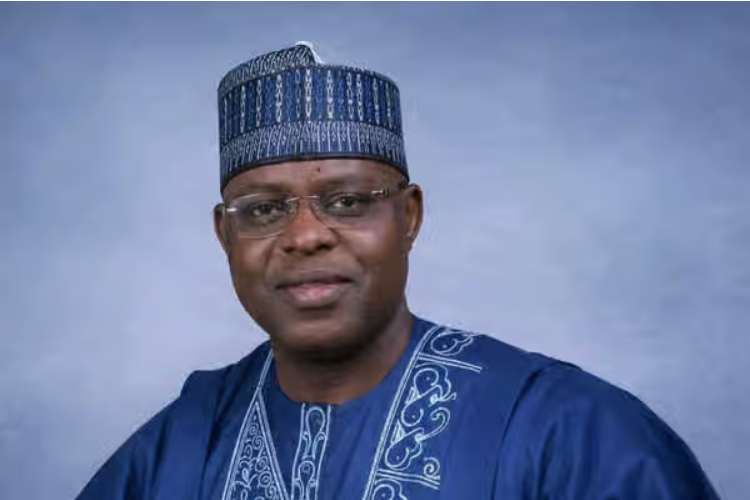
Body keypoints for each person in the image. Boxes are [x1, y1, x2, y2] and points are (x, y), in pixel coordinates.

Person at [77, 43, 720, 500]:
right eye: (265, 209)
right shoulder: (179, 447)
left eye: (348, 201)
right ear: (225, 235)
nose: (304, 236)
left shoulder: (574, 434)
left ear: (408, 217)